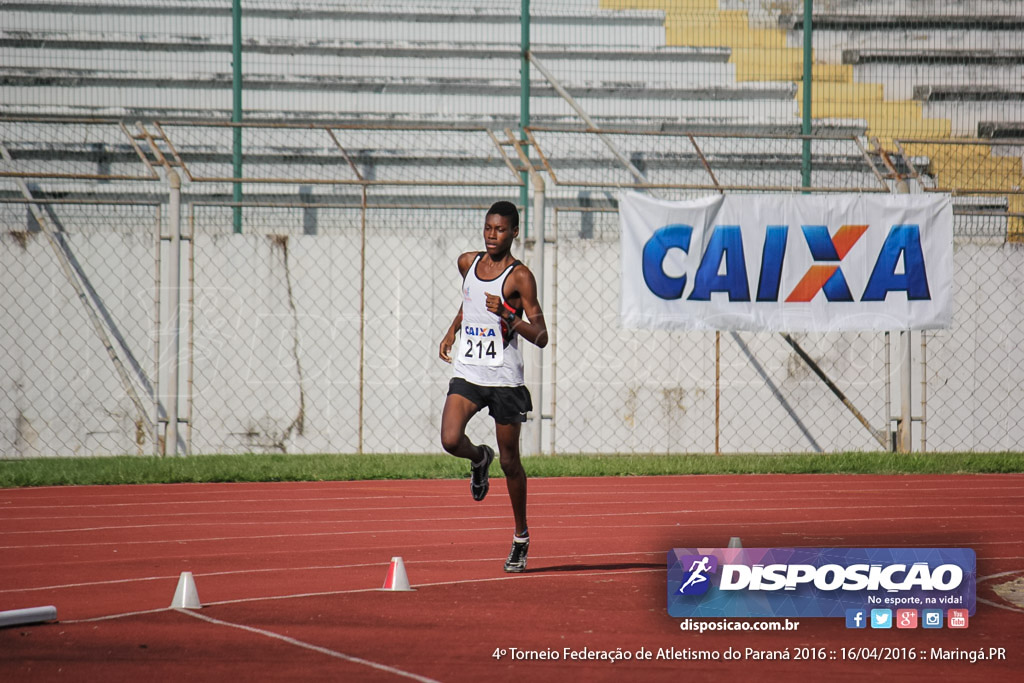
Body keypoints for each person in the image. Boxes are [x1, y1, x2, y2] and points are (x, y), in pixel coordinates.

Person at [439, 201, 548, 573]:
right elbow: (469, 301)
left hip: (504, 379)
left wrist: (507, 315)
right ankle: (477, 458)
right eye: (487, 228)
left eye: (500, 230)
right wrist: (453, 329)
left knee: (510, 461)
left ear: (514, 232)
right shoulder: (467, 263)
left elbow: (542, 336)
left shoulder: (520, 278)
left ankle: (521, 537)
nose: (491, 235)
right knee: (451, 439)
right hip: (469, 372)